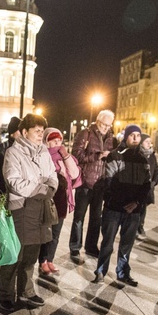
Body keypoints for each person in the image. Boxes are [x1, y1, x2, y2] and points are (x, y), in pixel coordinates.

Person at [0, 113, 57, 310]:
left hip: (40, 209)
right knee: (16, 254)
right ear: (24, 132)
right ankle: (5, 294)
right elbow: (14, 182)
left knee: (32, 255)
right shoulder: (14, 153)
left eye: (42, 131)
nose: (41, 135)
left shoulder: (44, 152)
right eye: (36, 131)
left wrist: (48, 187)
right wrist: (41, 188)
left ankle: (26, 291)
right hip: (21, 209)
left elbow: (53, 177)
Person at [93, 125, 151, 286]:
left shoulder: (143, 158)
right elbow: (110, 182)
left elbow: (147, 184)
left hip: (134, 211)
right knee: (107, 243)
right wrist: (124, 202)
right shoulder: (115, 155)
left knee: (127, 244)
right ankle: (100, 271)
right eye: (132, 135)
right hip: (114, 208)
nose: (135, 138)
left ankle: (123, 272)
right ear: (125, 137)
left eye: (138, 136)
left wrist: (136, 203)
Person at [68, 109, 115, 263]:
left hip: (101, 184)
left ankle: (91, 246)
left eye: (109, 125)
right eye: (103, 124)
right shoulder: (86, 133)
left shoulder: (111, 137)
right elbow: (76, 155)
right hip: (85, 182)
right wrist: (97, 156)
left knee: (96, 218)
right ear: (97, 121)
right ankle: (75, 247)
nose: (106, 128)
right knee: (79, 217)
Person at [38, 127, 80, 275]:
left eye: (59, 140)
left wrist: (66, 156)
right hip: (48, 198)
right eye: (53, 140)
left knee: (56, 232)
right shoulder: (42, 155)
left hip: (61, 198)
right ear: (46, 141)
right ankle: (42, 260)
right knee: (46, 231)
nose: (57, 143)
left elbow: (74, 174)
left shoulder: (65, 157)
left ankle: (50, 259)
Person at [0, 116, 21, 193]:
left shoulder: (23, 147)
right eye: (19, 130)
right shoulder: (2, 148)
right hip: (4, 188)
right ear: (12, 133)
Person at [138, 133, 158, 237]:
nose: (149, 144)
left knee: (143, 208)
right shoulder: (137, 154)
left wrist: (154, 182)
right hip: (139, 186)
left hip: (149, 187)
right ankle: (135, 228)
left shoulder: (152, 155)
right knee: (137, 207)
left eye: (150, 142)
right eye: (147, 141)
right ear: (141, 142)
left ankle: (140, 226)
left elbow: (155, 170)